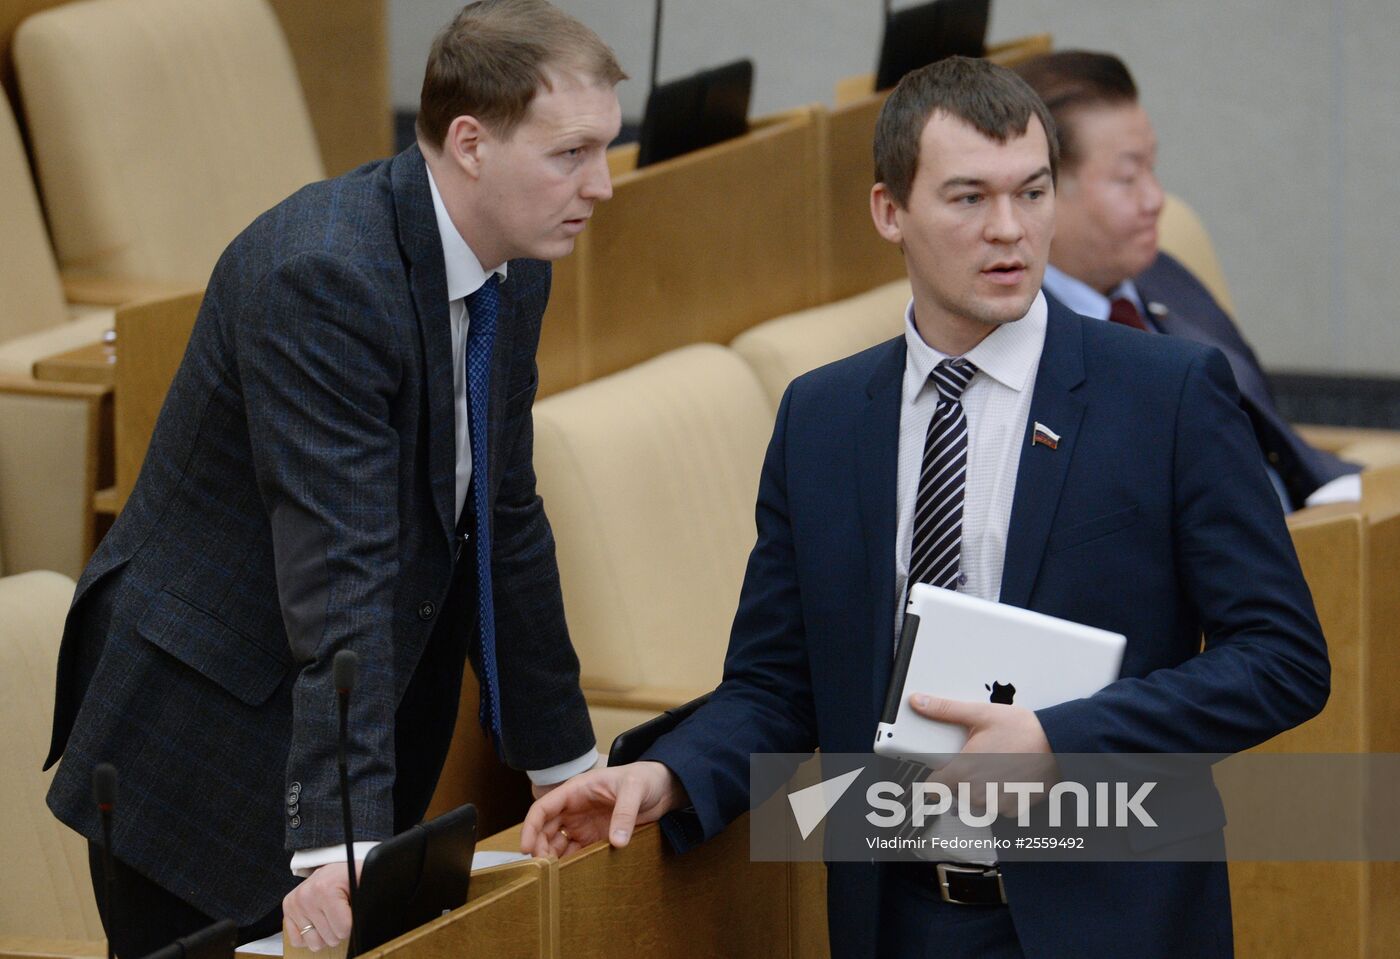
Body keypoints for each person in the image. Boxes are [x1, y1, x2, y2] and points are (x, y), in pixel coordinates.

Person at [521, 57, 1329, 958]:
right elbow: (780, 680)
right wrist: (671, 773)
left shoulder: (1167, 394)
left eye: (1032, 192)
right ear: (889, 213)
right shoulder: (823, 419)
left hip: (1114, 918)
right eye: (969, 199)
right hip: (901, 918)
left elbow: (1283, 660)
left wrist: (1062, 740)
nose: (1010, 231)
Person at [43, 1, 623, 954]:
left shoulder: (516, 263)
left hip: (340, 721)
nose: (600, 184)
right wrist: (337, 839)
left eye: (604, 148)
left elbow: (504, 516)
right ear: (470, 143)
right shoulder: (321, 274)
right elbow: (340, 565)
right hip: (204, 745)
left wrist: (560, 766)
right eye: (571, 153)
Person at [1015, 50, 1360, 512]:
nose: (1156, 199)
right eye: (1127, 176)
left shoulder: (1163, 275)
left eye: (1151, 169)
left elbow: (1273, 437)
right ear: (1042, 193)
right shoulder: (1027, 346)